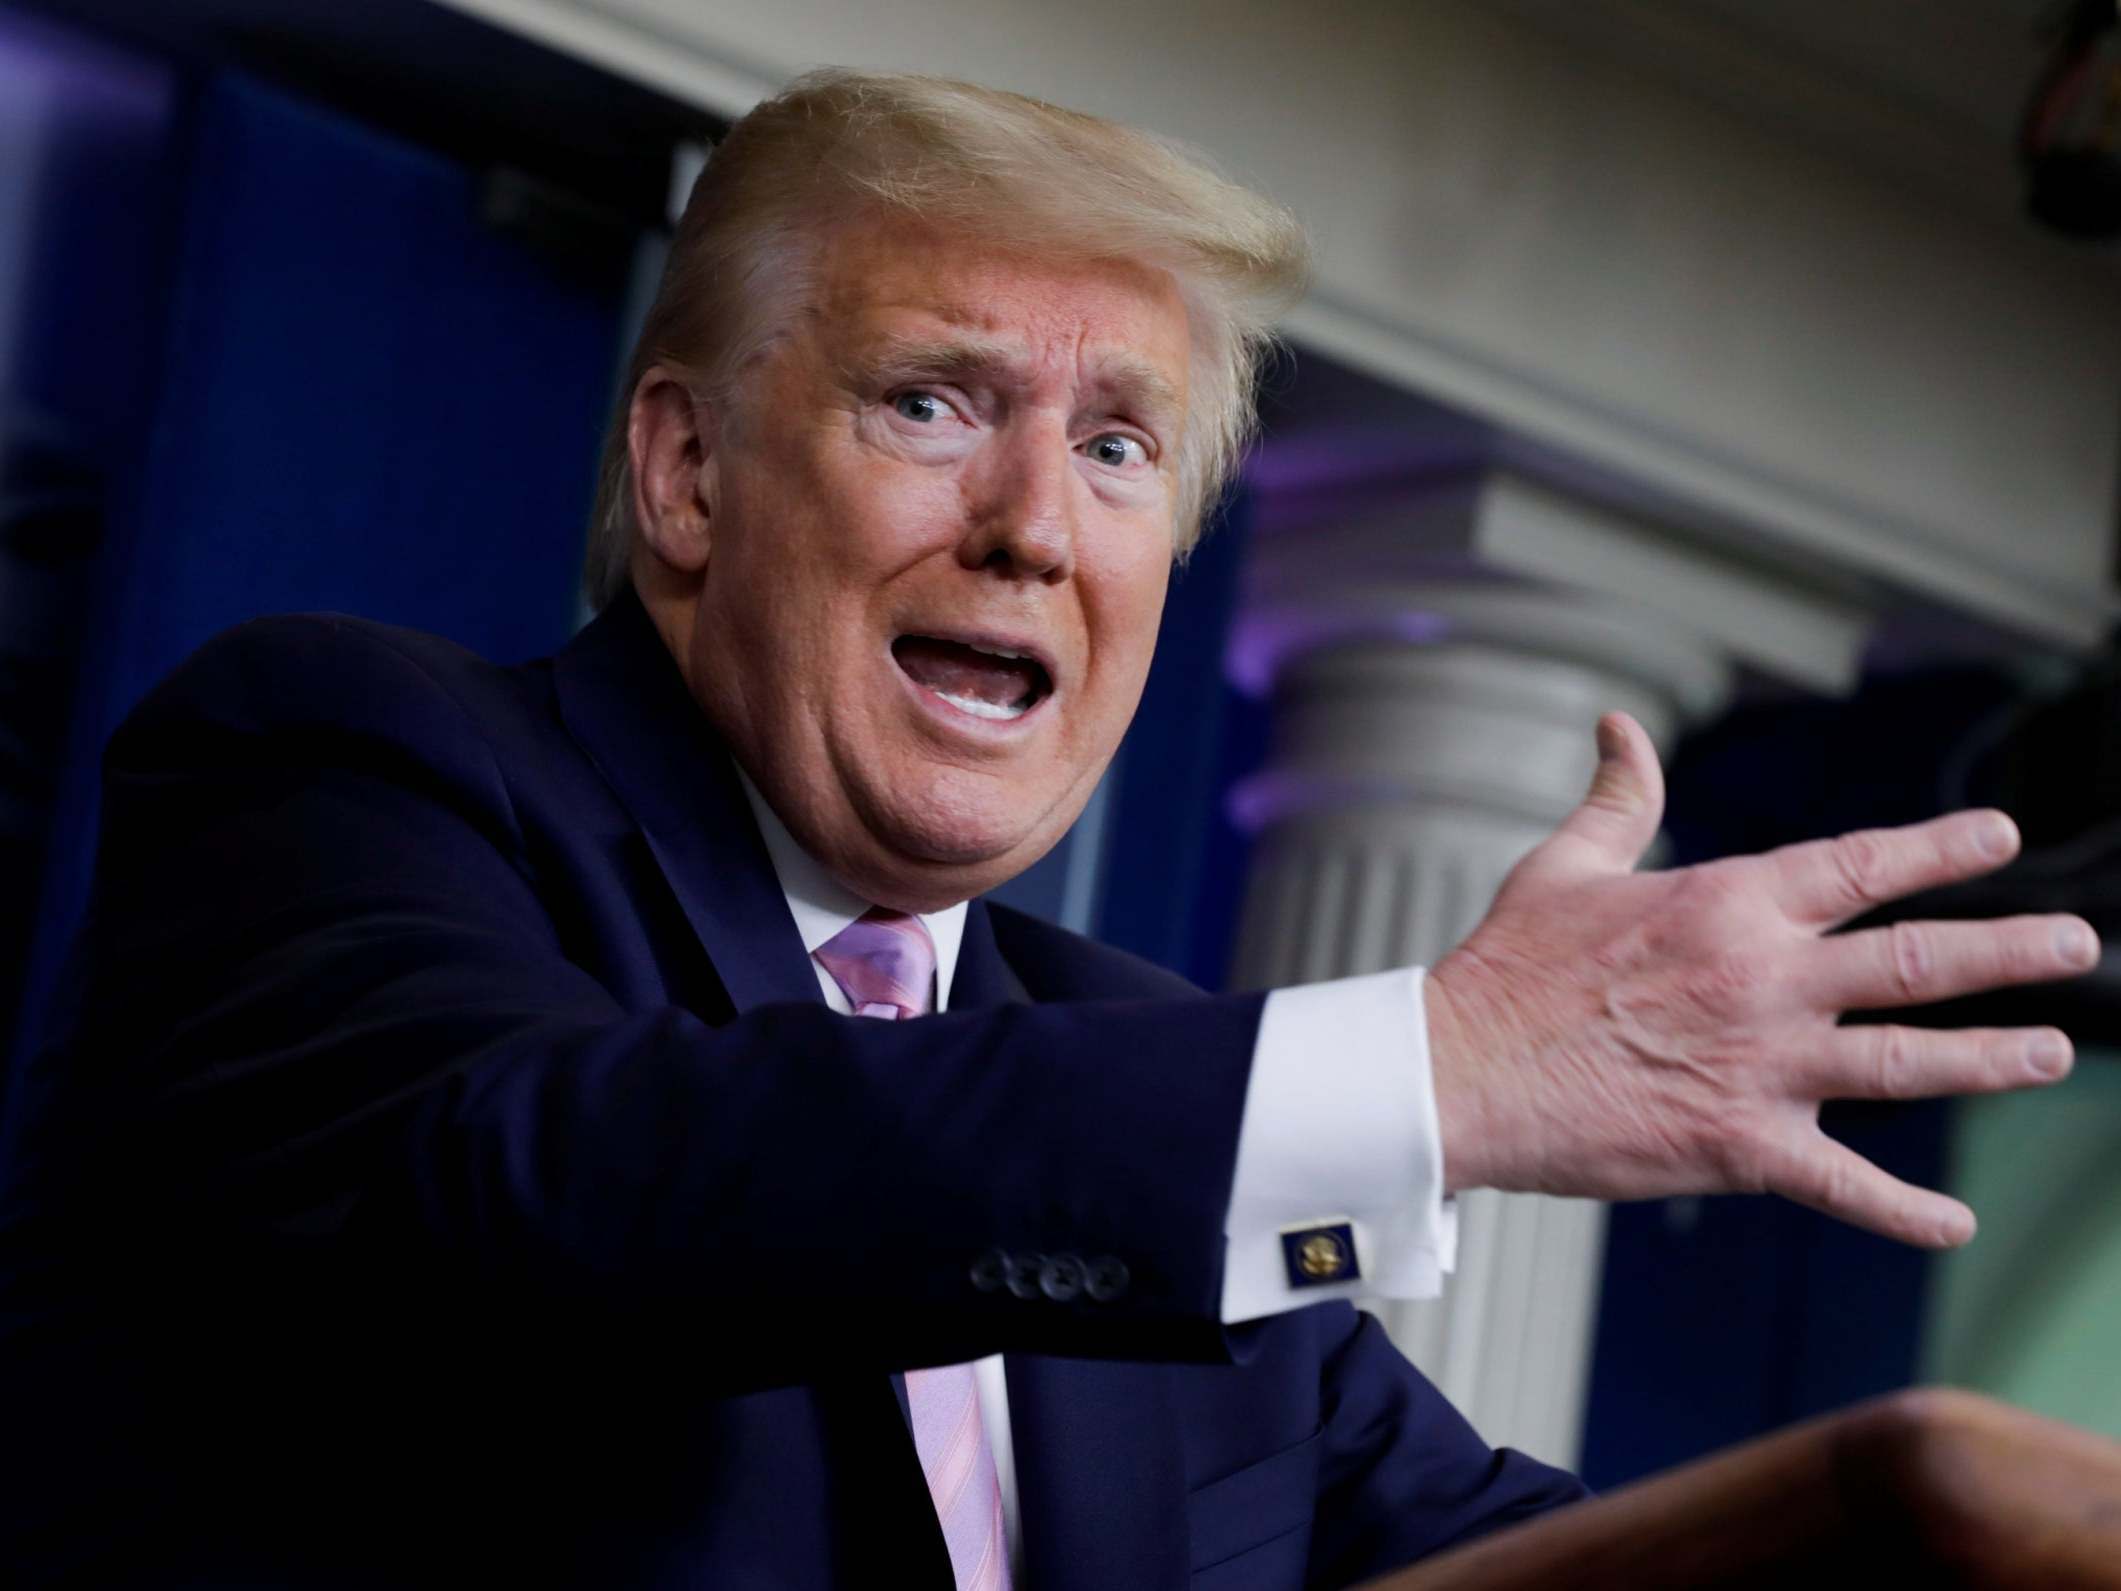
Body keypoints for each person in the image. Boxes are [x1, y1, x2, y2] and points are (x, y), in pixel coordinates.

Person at [0, 68, 2096, 1591]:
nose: (1027, 527)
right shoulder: (350, 769)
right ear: (686, 477)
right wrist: (1434, 1071)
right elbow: (572, 1182)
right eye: (929, 401)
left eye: (1114, 449)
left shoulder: (1136, 1083)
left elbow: (1552, 1569)